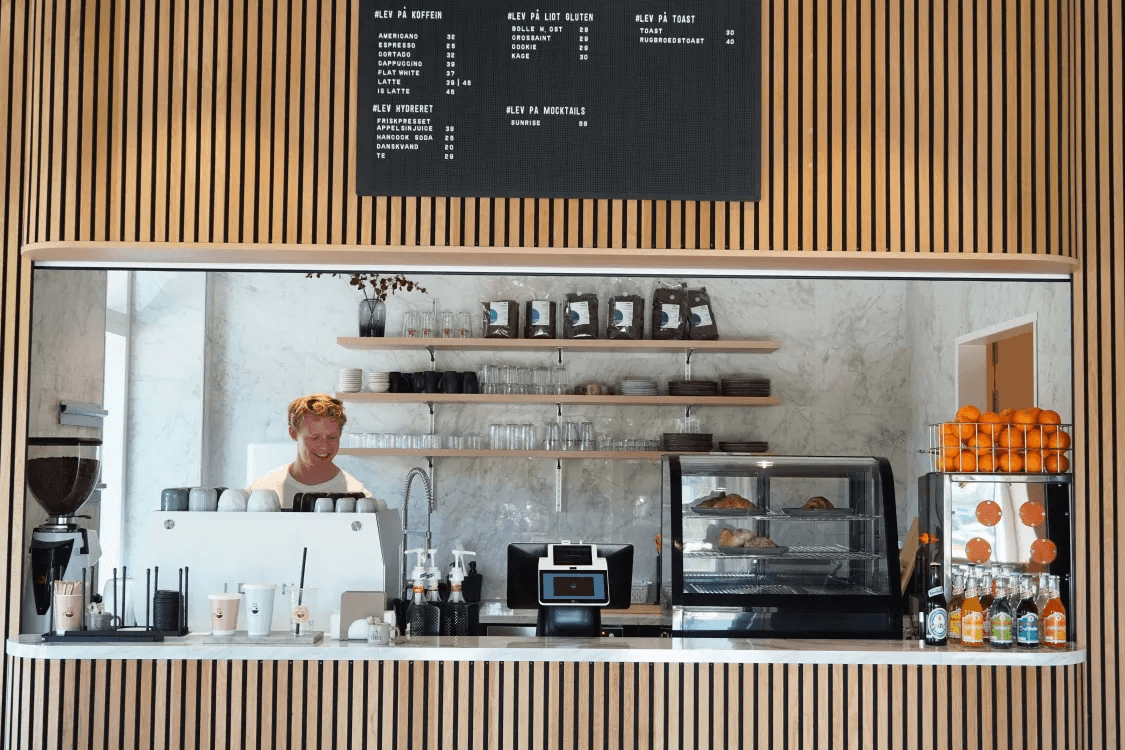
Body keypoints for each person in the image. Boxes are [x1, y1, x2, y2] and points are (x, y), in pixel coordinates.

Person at [248, 393, 371, 509]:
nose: (324, 446)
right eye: (315, 438)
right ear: (293, 433)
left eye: (332, 437)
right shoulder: (262, 490)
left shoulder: (357, 494)